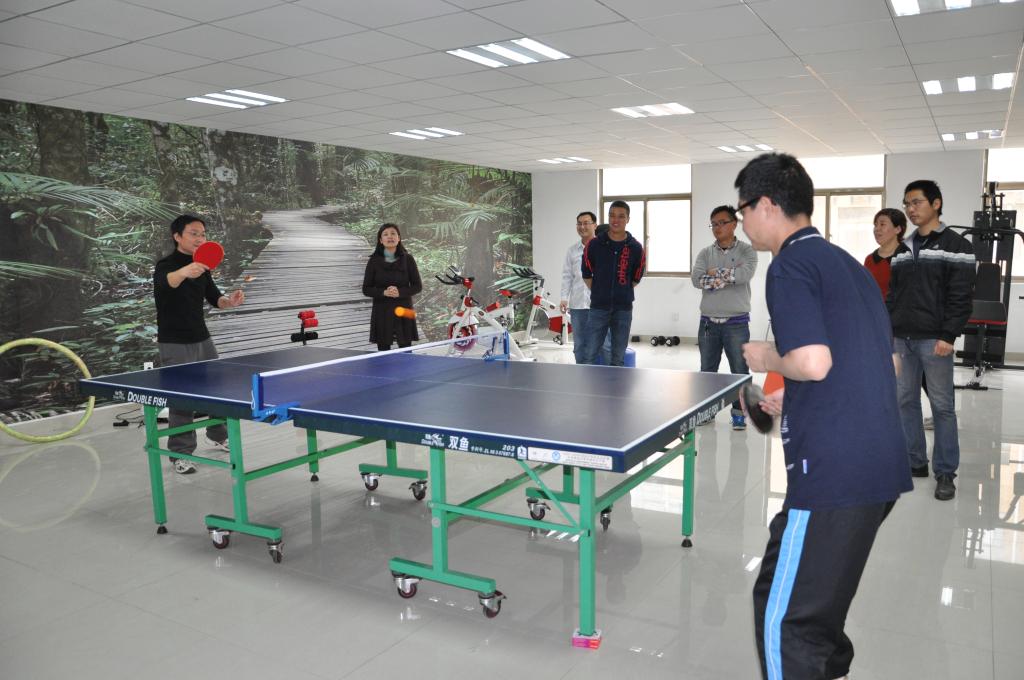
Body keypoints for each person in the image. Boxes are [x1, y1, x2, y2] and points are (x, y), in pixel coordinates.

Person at [736, 153, 912, 680]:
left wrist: (766, 358)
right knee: (821, 610)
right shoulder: (847, 264)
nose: (741, 222)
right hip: (879, 465)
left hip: (833, 473)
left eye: (743, 209)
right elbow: (884, 362)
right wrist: (792, 397)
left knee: (787, 621)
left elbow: (813, 362)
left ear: (767, 205)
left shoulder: (789, 264)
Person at [888, 180, 974, 500]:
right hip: (902, 339)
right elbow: (894, 296)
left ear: (936, 204)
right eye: (907, 204)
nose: (910, 209)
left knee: (942, 406)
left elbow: (961, 295)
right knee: (904, 401)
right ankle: (915, 462)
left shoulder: (956, 246)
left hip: (934, 339)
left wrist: (949, 335)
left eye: (916, 202)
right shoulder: (902, 248)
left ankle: (945, 471)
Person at [154, 214, 244, 474]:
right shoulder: (166, 265)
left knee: (215, 390)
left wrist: (229, 302)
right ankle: (180, 453)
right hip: (174, 341)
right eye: (193, 233)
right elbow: (167, 282)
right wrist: (184, 271)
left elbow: (215, 297)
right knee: (182, 398)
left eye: (202, 234)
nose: (200, 238)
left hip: (202, 337)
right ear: (177, 236)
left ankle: (218, 434)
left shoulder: (203, 266)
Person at [691, 204, 758, 430]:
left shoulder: (747, 251)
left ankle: (739, 414)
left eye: (722, 223)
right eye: (714, 224)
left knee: (739, 371)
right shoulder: (705, 253)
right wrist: (729, 276)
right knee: (707, 371)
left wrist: (714, 275)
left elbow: (744, 275)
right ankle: (707, 411)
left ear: (734, 224)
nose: (717, 227)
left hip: (736, 323)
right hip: (708, 323)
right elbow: (697, 279)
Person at [580, 201, 645, 366]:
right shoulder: (594, 245)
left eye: (621, 216)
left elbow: (636, 277)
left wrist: (621, 290)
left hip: (623, 310)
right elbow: (586, 273)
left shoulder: (636, 248)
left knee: (618, 358)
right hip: (598, 308)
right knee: (589, 355)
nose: (616, 220)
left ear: (628, 219)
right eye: (612, 215)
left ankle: (616, 384)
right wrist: (599, 291)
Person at [362, 223, 422, 351]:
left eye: (393, 233)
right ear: (380, 240)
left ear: (399, 238)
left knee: (406, 351)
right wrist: (383, 292)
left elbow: (417, 286)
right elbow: (366, 289)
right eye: (385, 234)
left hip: (404, 309)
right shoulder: (373, 261)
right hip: (382, 310)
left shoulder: (408, 259)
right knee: (383, 352)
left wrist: (400, 292)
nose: (390, 236)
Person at [560, 211, 597, 364]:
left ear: (595, 225)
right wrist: (564, 298)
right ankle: (582, 372)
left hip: (600, 306)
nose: (582, 227)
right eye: (579, 224)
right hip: (578, 306)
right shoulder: (572, 251)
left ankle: (604, 375)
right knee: (580, 345)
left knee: (603, 345)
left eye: (586, 223)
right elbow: (567, 276)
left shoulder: (603, 248)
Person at [863, 208, 908, 297]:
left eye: (882, 224)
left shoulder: (909, 258)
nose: (877, 229)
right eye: (875, 225)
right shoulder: (869, 260)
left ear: (898, 229)